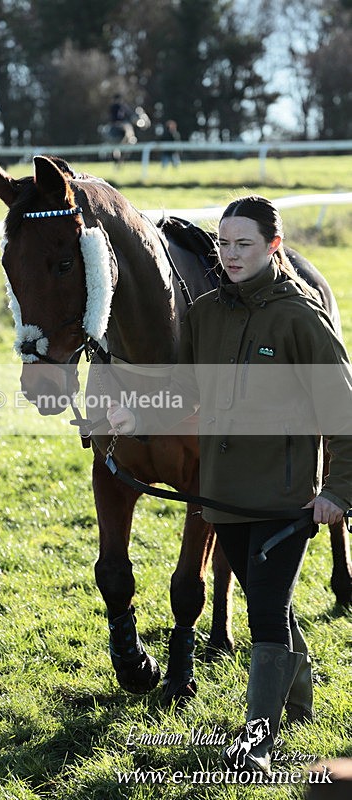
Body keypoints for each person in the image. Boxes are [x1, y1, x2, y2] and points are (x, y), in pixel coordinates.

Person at [107, 195, 352, 776]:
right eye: (223, 243)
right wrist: (138, 418)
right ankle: (298, 703)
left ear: (274, 247)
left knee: (265, 615)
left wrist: (338, 492)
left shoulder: (300, 318)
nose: (231, 255)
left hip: (285, 496)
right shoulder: (207, 313)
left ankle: (259, 744)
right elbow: (189, 395)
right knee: (273, 603)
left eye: (245, 244)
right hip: (221, 497)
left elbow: (344, 413)